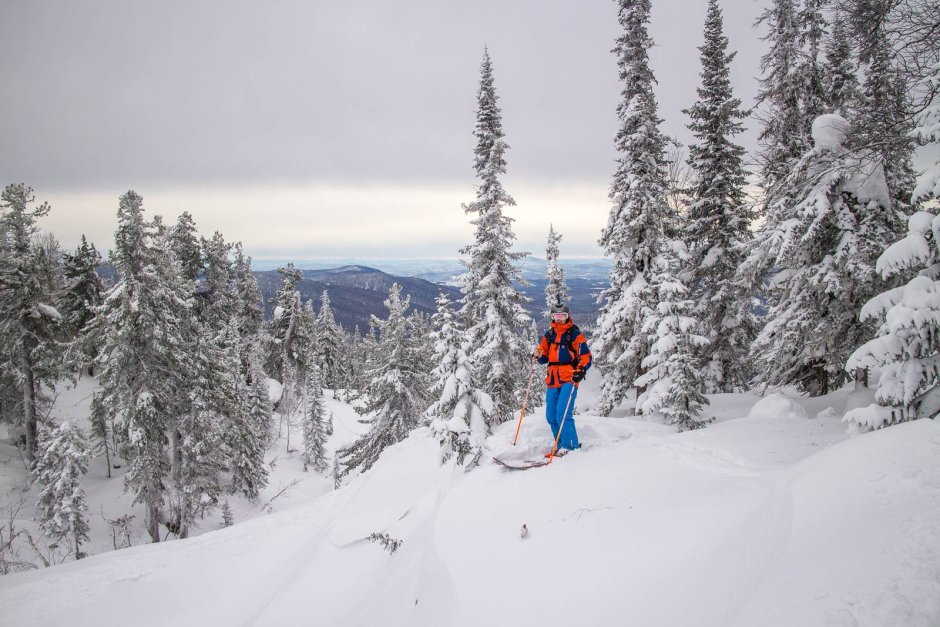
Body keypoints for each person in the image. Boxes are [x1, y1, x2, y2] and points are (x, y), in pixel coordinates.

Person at [534, 302, 591, 454]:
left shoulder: (574, 334)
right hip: (553, 378)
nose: (559, 319)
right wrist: (538, 356)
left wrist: (581, 370)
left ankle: (570, 446)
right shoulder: (549, 335)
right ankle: (560, 445)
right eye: (556, 316)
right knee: (551, 415)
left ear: (567, 316)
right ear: (552, 317)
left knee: (563, 413)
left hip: (570, 377)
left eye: (562, 316)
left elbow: (586, 356)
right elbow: (543, 356)